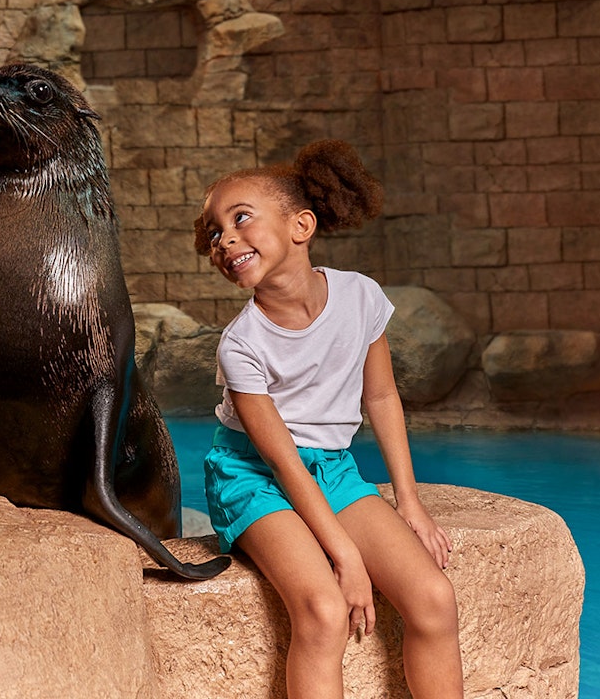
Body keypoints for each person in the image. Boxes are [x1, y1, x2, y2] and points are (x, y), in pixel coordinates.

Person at [193, 140, 463, 698]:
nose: (226, 239)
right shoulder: (239, 346)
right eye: (216, 232)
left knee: (434, 598)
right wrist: (345, 557)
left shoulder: (360, 296)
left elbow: (382, 398)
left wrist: (408, 502)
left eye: (240, 218)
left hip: (334, 470)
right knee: (322, 610)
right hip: (254, 478)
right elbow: (281, 461)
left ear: (302, 225)